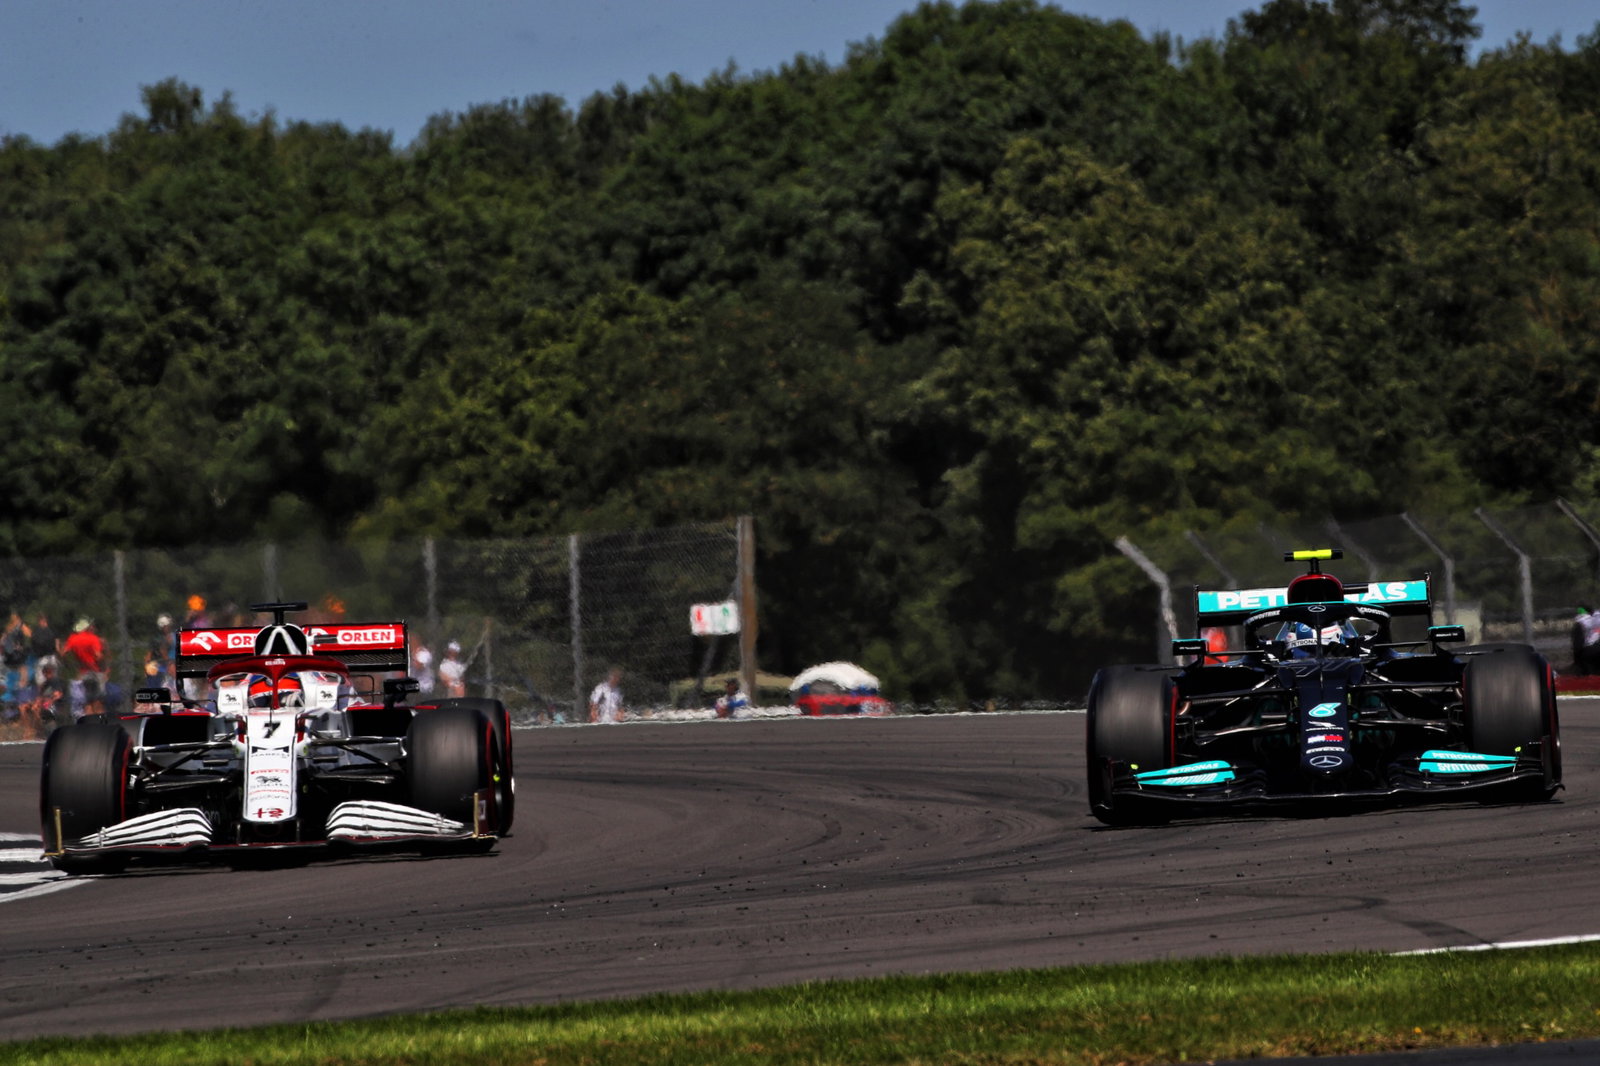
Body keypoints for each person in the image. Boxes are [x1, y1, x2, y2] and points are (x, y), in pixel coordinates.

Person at [61, 618, 108, 718]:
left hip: (82, 672)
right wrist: (103, 662)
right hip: (96, 672)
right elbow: (98, 655)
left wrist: (70, 664)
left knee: (86, 703)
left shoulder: (72, 639)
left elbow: (64, 653)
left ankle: (88, 726)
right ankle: (101, 727)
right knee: (98, 702)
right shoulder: (93, 638)